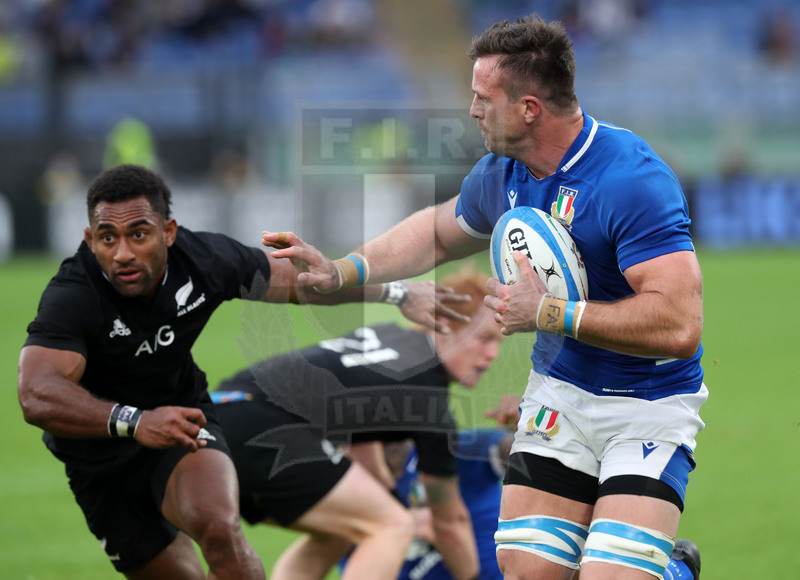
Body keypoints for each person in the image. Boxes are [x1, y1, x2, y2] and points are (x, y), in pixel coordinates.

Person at [263, 14, 707, 580]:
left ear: (528, 108)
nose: (471, 110)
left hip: (646, 403)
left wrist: (548, 312)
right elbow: (435, 232)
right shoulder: (502, 172)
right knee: (526, 573)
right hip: (561, 396)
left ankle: (675, 570)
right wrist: (344, 269)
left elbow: (678, 324)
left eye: (482, 97)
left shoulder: (631, 179)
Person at [16, 163, 466, 580]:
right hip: (98, 458)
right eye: (107, 238)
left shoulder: (203, 259)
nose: (122, 253)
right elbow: (36, 392)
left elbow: (303, 282)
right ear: (89, 239)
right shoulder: (74, 294)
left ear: (168, 231)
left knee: (219, 526)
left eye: (139, 234)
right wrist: (134, 421)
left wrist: (395, 294)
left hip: (180, 421)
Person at [211, 268, 503, 580]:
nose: (492, 354)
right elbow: (450, 521)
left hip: (219, 413)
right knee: (390, 526)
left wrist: (390, 499)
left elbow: (361, 444)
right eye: (484, 338)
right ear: (443, 324)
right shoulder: (429, 399)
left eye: (498, 341)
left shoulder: (390, 335)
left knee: (343, 530)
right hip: (262, 427)